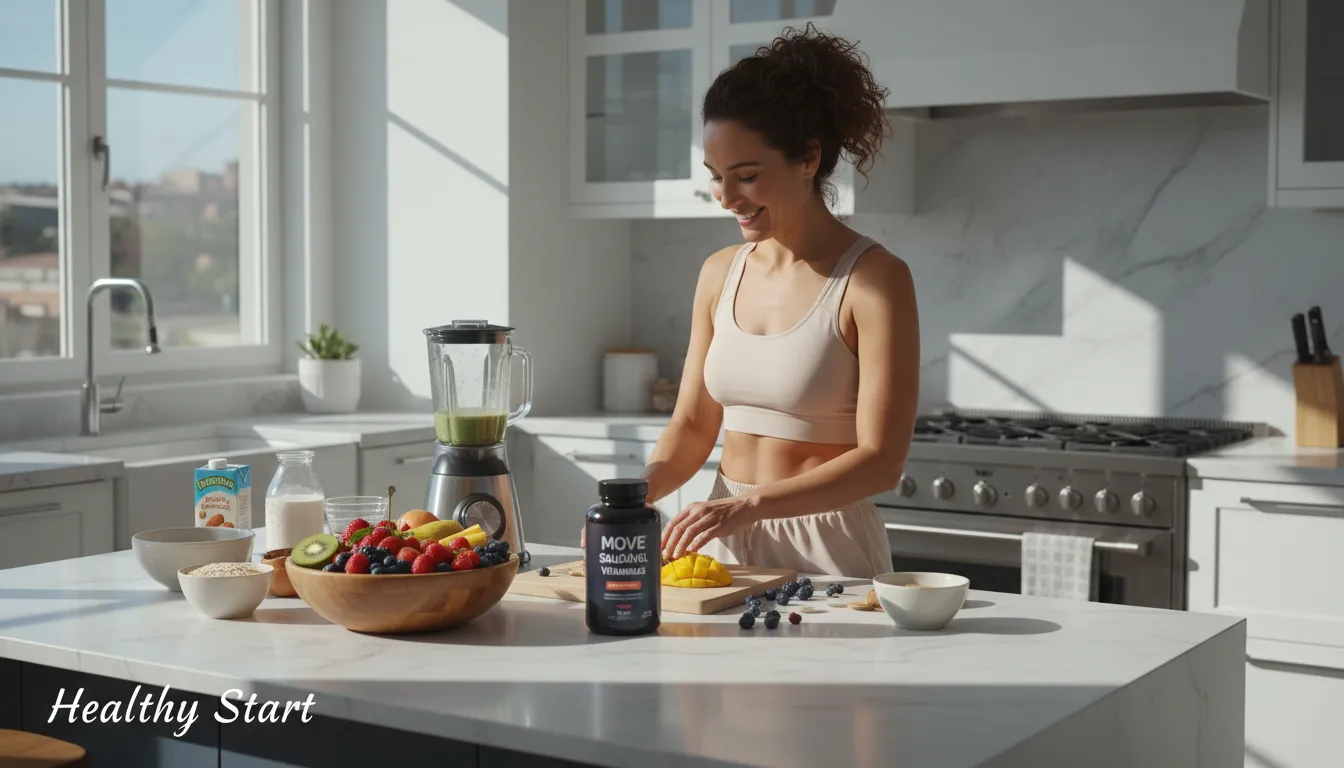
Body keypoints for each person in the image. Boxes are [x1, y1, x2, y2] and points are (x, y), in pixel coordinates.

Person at [644, 24, 921, 579]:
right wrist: (633, 498)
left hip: (827, 548)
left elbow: (881, 462)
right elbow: (693, 425)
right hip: (720, 539)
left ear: (808, 158)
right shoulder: (719, 272)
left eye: (746, 176)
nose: (726, 198)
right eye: (716, 177)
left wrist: (749, 506)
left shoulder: (873, 280)